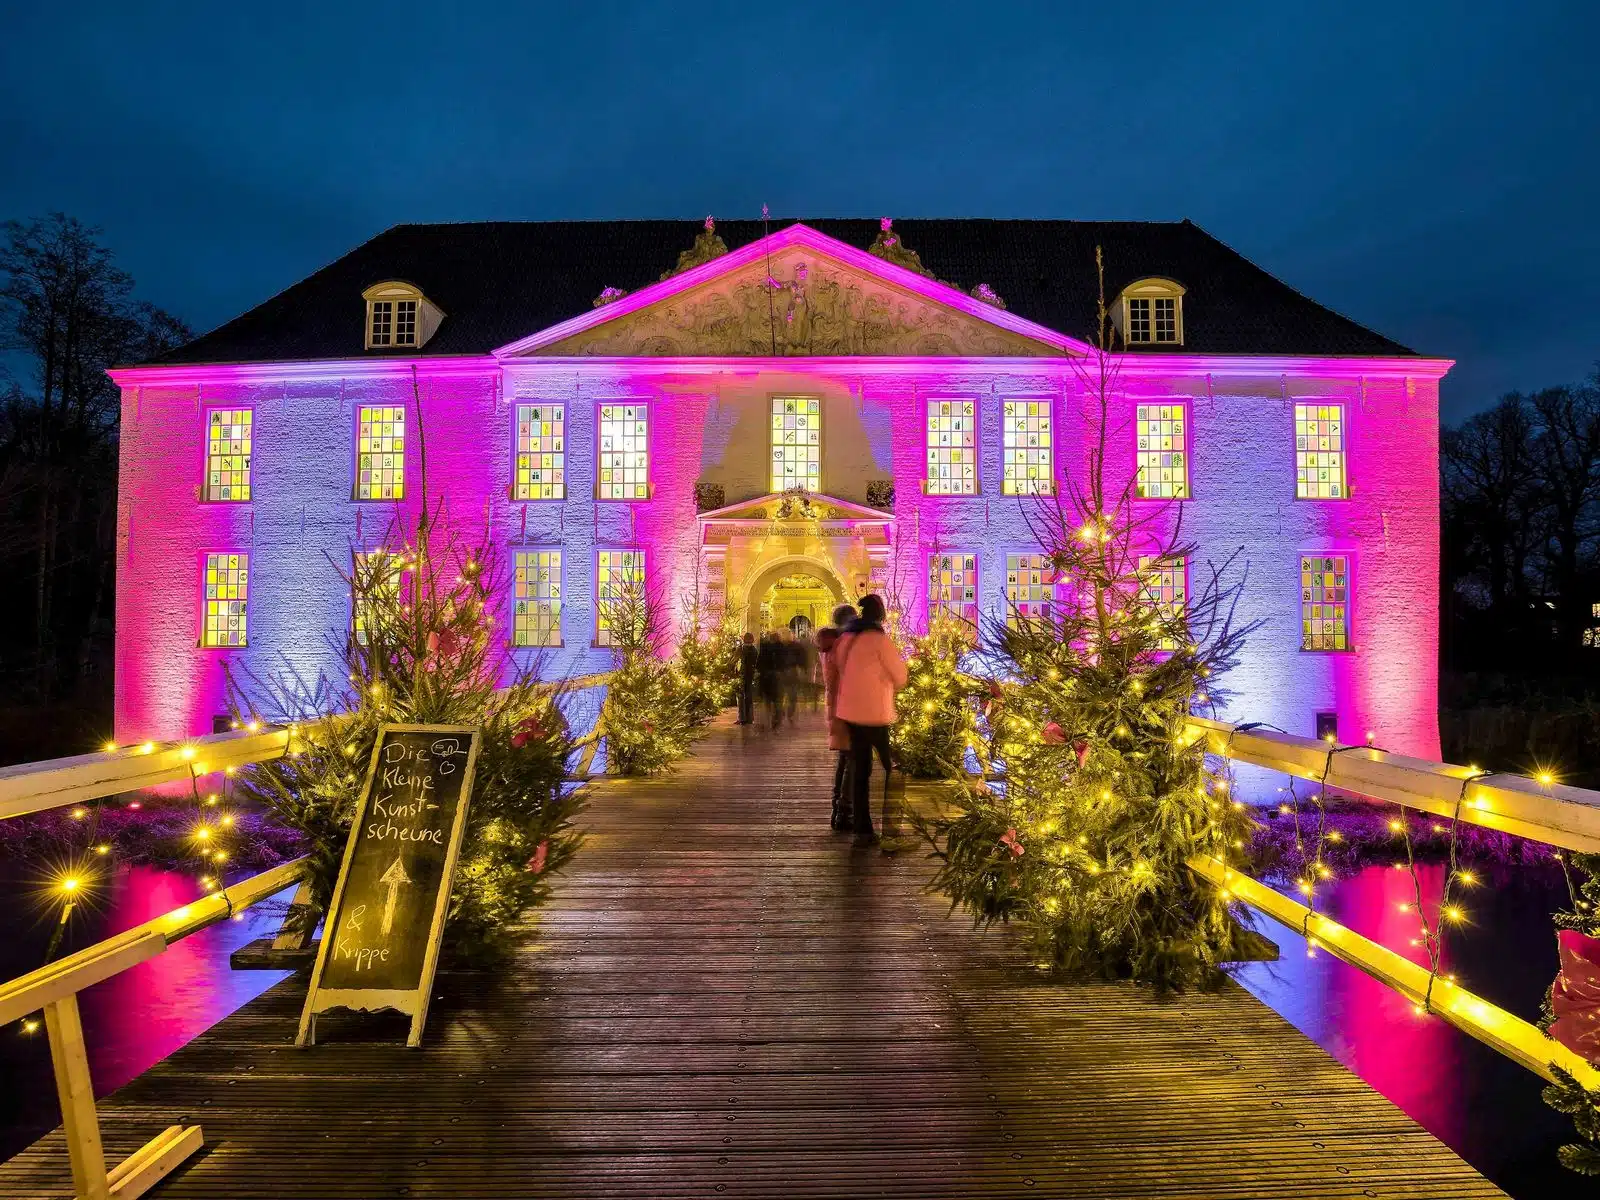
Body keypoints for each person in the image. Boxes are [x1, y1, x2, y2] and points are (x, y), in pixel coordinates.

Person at [833, 594, 908, 847]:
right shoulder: (879, 641)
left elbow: (840, 668)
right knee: (894, 767)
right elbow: (900, 676)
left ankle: (863, 830)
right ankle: (892, 829)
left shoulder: (846, 639)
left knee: (860, 771)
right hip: (876, 714)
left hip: (851, 713)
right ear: (880, 615)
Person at [817, 603, 857, 832]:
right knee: (851, 758)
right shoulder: (843, 645)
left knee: (845, 758)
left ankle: (838, 807)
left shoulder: (830, 645)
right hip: (848, 706)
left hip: (837, 706)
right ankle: (844, 810)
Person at [755, 631, 784, 730]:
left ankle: (769, 718)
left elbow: (759, 662)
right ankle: (775, 718)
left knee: (767, 699)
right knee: (776, 699)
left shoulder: (765, 648)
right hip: (775, 676)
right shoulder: (781, 648)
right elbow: (784, 662)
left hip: (766, 676)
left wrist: (761, 671)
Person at [737, 632, 758, 724]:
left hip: (742, 674)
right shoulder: (754, 650)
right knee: (749, 696)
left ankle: (742, 718)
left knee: (741, 696)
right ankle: (750, 718)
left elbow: (735, 660)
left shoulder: (741, 649)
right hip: (750, 674)